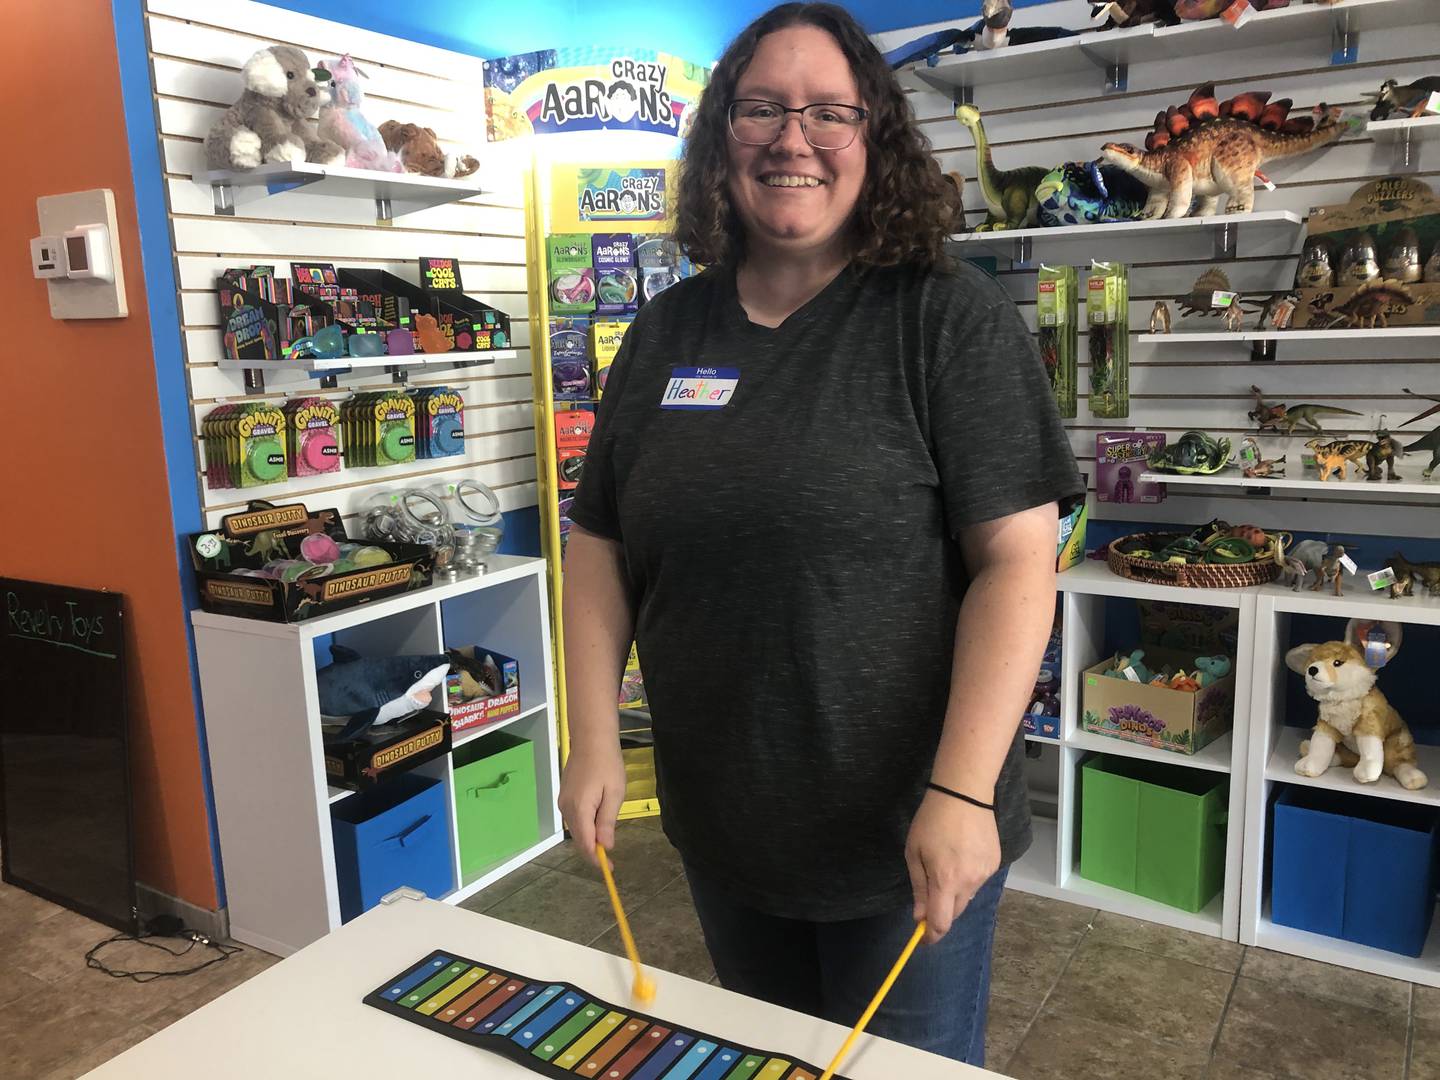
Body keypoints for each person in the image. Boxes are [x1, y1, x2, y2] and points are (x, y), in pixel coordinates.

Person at [558, 2, 1083, 1065]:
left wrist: (962, 790)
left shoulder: (945, 319)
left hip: (908, 842)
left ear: (873, 136)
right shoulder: (666, 333)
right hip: (727, 832)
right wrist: (594, 735)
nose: (792, 139)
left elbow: (1019, 564)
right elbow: (600, 542)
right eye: (761, 108)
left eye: (828, 112)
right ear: (721, 138)